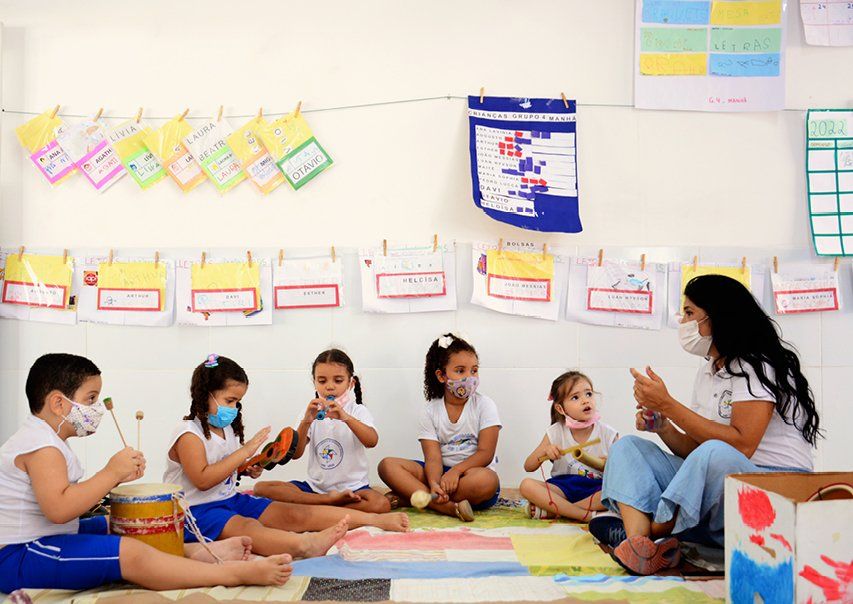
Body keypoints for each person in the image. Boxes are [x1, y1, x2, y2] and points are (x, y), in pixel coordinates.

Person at [0, 353, 293, 594]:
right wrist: (111, 472)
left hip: (45, 538)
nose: (95, 409)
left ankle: (196, 554)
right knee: (130, 552)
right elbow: (60, 509)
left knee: (130, 523)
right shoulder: (42, 446)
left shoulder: (45, 440)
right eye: (90, 399)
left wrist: (115, 476)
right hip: (19, 554)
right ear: (58, 403)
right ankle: (233, 574)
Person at [591, 275, 820, 575]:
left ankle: (650, 531)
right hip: (722, 486)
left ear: (718, 318)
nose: (682, 323)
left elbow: (741, 444)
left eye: (689, 314)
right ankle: (639, 545)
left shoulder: (757, 365)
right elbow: (695, 451)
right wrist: (664, 425)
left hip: (774, 488)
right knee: (626, 447)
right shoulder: (709, 372)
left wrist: (668, 405)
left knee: (716, 453)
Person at [164, 354, 408, 559]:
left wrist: (245, 468)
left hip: (230, 499)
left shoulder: (226, 429)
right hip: (196, 511)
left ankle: (374, 520)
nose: (234, 408)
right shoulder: (188, 434)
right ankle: (305, 545)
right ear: (204, 394)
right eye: (230, 401)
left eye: (237, 402)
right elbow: (203, 480)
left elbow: (225, 470)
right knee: (247, 527)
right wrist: (245, 452)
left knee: (292, 513)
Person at [378, 333, 501, 521]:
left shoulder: (485, 405)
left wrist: (456, 471)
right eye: (460, 371)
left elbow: (486, 453)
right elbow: (433, 458)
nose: (469, 377)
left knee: (488, 481)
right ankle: (446, 506)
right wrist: (435, 482)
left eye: (474, 370)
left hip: (470, 474)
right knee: (387, 466)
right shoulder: (430, 411)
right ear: (441, 376)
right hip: (440, 472)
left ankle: (418, 497)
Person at [254, 348, 390, 513]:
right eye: (322, 381)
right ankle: (327, 501)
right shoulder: (309, 414)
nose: (330, 387)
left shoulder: (357, 411)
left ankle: (319, 506)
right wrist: (307, 421)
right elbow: (296, 454)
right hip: (316, 488)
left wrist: (345, 417)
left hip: (354, 488)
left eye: (338, 380)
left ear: (351, 383)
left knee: (380, 504)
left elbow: (372, 441)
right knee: (262, 488)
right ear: (314, 382)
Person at [520, 371, 618, 521]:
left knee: (617, 492)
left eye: (589, 394)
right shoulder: (555, 432)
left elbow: (622, 473)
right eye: (575, 397)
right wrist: (546, 452)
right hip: (563, 487)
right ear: (560, 409)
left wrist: (609, 465)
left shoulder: (608, 434)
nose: (585, 401)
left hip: (596, 488)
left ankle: (560, 510)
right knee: (526, 485)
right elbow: (528, 466)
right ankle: (584, 515)